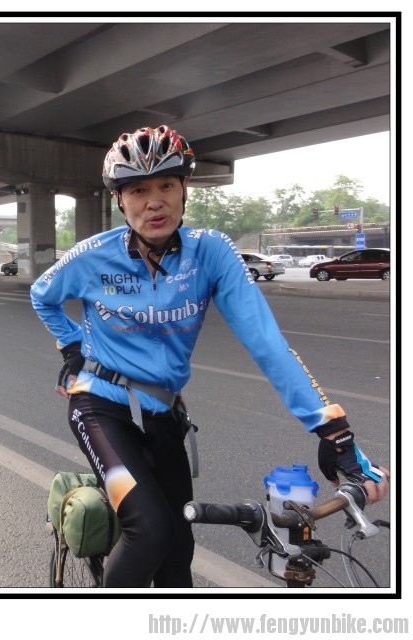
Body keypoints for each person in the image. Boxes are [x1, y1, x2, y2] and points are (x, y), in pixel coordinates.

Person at [30, 125, 390, 588]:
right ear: (121, 200)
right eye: (138, 189)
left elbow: (267, 344)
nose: (154, 201)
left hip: (163, 413)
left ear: (185, 189)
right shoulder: (91, 256)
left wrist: (333, 431)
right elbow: (43, 295)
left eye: (166, 185)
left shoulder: (212, 253)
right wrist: (72, 347)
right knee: (150, 530)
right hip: (100, 407)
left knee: (178, 553)